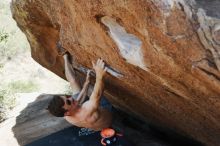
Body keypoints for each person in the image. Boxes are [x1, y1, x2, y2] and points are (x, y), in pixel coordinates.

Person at [47, 51, 113, 131]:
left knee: (73, 82)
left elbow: (77, 101)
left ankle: (65, 57)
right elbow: (97, 95)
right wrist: (99, 74)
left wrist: (86, 83)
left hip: (86, 110)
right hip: (108, 112)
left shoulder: (65, 114)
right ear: (66, 113)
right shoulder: (86, 111)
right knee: (93, 89)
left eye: (67, 96)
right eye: (68, 102)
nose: (71, 98)